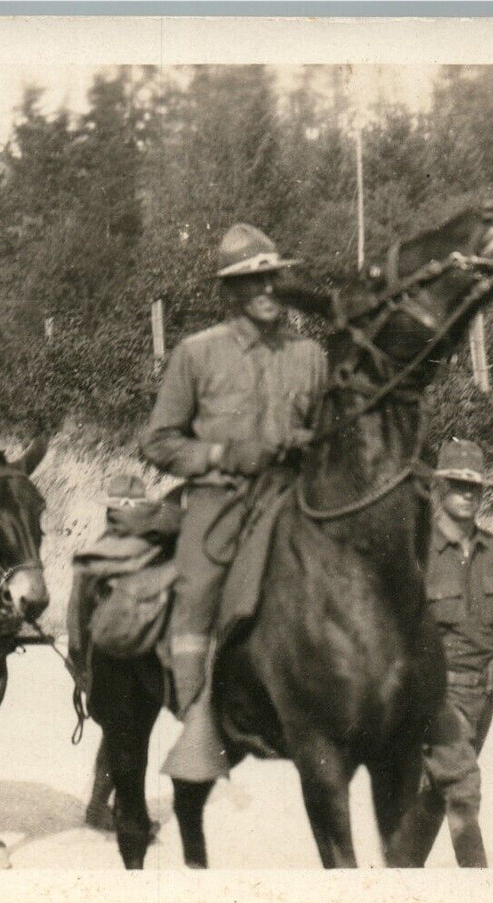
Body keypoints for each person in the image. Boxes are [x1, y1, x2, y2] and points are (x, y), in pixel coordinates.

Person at [139, 223, 327, 782]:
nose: (267, 289)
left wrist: (310, 442)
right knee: (197, 587)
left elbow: (331, 432)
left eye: (273, 278)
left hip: (294, 496)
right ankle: (197, 715)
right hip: (221, 499)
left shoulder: (310, 355)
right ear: (231, 291)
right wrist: (222, 453)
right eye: (252, 280)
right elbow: (158, 442)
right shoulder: (197, 354)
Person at [401, 438, 493, 868]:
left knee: (437, 792)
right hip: (437, 695)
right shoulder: (417, 553)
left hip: (482, 697)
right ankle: (480, 887)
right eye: (457, 485)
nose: (467, 494)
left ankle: (399, 873)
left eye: (474, 487)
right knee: (463, 787)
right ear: (439, 488)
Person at [68, 474, 169, 832]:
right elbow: (77, 615)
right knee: (123, 734)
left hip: (146, 661)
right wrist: (80, 667)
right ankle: (117, 811)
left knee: (131, 736)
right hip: (109, 661)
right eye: (115, 514)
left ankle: (109, 806)